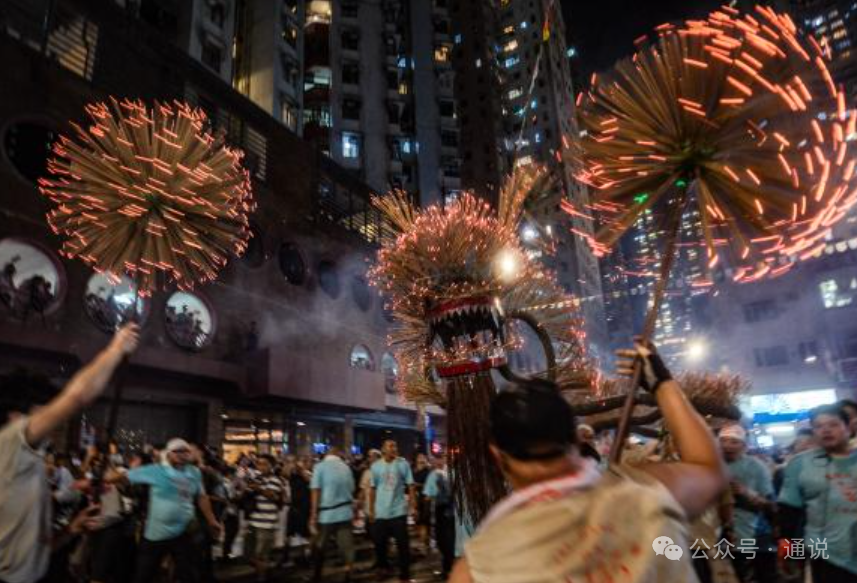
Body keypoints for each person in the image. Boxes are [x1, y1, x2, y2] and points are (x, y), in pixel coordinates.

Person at [450, 340, 726, 583]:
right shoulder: (645, 493)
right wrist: (662, 383)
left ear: (497, 455)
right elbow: (709, 468)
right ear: (576, 438)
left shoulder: (481, 566)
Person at [0, 324, 139, 583]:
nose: (52, 421)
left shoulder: (25, 461)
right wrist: (116, 348)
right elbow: (77, 397)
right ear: (15, 417)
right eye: (43, 412)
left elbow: (33, 551)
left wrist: (71, 530)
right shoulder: (7, 442)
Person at [106, 437, 222, 583]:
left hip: (183, 532)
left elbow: (201, 497)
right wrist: (111, 476)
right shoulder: (156, 470)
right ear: (168, 454)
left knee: (189, 574)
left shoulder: (194, 472)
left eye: (185, 451)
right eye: (177, 451)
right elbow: (121, 477)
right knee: (144, 575)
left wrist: (212, 520)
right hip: (156, 534)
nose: (182, 455)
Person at [778, 404, 857, 581]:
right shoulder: (800, 463)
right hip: (823, 551)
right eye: (818, 426)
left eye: (833, 424)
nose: (826, 430)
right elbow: (789, 508)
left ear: (848, 428)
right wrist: (786, 543)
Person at [719, 424, 777, 583]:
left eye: (734, 442)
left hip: (755, 535)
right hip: (721, 536)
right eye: (723, 441)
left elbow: (772, 506)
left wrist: (746, 493)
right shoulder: (712, 465)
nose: (727, 446)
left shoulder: (756, 467)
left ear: (744, 446)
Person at [369, 439, 417, 582]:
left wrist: (413, 506)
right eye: (390, 446)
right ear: (383, 449)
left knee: (403, 545)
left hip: (398, 511)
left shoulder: (403, 464)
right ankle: (383, 568)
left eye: (395, 446)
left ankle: (404, 574)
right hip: (381, 512)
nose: (394, 448)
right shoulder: (375, 466)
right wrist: (371, 509)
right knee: (380, 544)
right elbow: (372, 489)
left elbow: (411, 486)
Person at [309, 445, 356, 582]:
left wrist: (313, 514)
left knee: (320, 545)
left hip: (327, 514)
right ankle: (348, 574)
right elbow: (352, 488)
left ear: (327, 454)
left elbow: (315, 490)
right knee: (346, 546)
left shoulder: (320, 467)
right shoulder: (346, 467)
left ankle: (317, 576)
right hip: (345, 513)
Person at [245, 454, 287, 583]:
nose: (261, 466)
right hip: (253, 521)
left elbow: (273, 496)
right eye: (258, 463)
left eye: (264, 464)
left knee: (261, 555)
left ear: (272, 466)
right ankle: (268, 570)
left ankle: (262, 577)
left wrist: (258, 488)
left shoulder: (275, 480)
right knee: (247, 554)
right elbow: (247, 493)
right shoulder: (257, 478)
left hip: (267, 524)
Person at [424, 454, 455, 579]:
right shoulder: (433, 475)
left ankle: (449, 569)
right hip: (443, 511)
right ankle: (449, 568)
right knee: (444, 541)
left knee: (446, 541)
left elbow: (427, 496)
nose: (438, 461)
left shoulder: (450, 473)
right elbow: (428, 495)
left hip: (448, 511)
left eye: (441, 458)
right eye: (436, 459)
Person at [413, 452, 432, 556]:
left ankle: (425, 544)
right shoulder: (415, 471)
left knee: (424, 522)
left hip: (426, 500)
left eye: (422, 457)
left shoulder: (428, 471)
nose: (420, 459)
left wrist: (418, 485)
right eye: (419, 457)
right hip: (417, 499)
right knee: (419, 523)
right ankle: (424, 543)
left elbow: (430, 485)